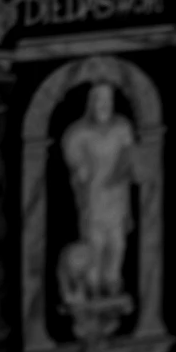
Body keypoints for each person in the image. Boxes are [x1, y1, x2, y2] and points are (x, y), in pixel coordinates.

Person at [62, 81, 149, 303]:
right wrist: (82, 177)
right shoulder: (79, 134)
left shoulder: (122, 129)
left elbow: (133, 159)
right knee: (96, 244)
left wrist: (130, 167)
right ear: (91, 104)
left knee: (117, 244)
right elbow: (77, 168)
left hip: (118, 195)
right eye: (99, 101)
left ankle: (112, 285)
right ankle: (93, 287)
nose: (104, 106)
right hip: (94, 195)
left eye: (108, 101)